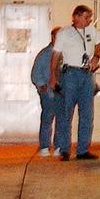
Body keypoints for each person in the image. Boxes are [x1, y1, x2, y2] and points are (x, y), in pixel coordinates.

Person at [49, 4, 100, 161]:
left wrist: (96, 57)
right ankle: (64, 149)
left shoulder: (91, 30)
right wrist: (53, 76)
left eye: (90, 17)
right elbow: (55, 55)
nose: (89, 20)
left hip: (87, 75)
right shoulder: (64, 33)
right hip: (70, 74)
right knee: (66, 112)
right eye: (86, 17)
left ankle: (82, 150)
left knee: (87, 113)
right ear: (76, 17)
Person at [31, 27, 62, 157]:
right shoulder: (44, 54)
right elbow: (35, 73)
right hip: (49, 91)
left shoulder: (64, 53)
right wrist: (42, 86)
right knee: (47, 118)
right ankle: (44, 146)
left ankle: (59, 146)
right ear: (53, 37)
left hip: (61, 91)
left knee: (62, 119)